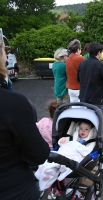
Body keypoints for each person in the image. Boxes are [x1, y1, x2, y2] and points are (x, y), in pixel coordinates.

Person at [0, 30, 50, 200]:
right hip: (13, 189)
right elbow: (38, 153)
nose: (6, 57)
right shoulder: (13, 103)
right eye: (4, 50)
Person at [77, 42, 103, 118]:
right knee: (99, 122)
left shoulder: (82, 64)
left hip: (85, 98)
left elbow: (78, 79)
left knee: (88, 121)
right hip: (99, 99)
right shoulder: (101, 65)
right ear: (99, 52)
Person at [66, 39, 85, 103]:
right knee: (82, 108)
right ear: (78, 49)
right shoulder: (81, 59)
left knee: (74, 107)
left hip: (70, 88)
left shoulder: (67, 59)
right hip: (79, 87)